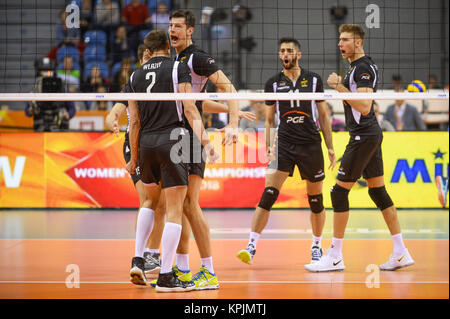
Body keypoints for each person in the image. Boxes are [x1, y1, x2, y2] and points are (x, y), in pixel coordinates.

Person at [305, 24, 414, 272]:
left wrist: (338, 86)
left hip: (364, 135)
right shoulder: (357, 66)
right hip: (368, 134)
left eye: (344, 40)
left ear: (358, 42)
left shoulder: (362, 67)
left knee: (338, 193)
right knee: (378, 192)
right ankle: (401, 252)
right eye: (339, 39)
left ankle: (334, 256)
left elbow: (365, 105)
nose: (340, 44)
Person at [148, 9, 240, 290]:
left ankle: (209, 271)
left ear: (190, 31)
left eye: (178, 26)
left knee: (189, 204)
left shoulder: (198, 57)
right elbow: (199, 102)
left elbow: (229, 89)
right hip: (176, 137)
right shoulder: (175, 60)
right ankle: (184, 268)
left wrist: (233, 123)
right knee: (181, 206)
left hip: (191, 138)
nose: (172, 30)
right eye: (170, 26)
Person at [126, 29, 218, 292]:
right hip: (173, 140)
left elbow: (134, 122)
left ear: (147, 51)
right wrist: (206, 143)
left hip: (146, 144)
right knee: (175, 209)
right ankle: (167, 276)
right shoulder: (178, 68)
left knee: (149, 201)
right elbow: (190, 109)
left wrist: (134, 158)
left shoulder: (135, 75)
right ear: (168, 46)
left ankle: (138, 258)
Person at [236, 37, 336, 266]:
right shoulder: (273, 83)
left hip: (311, 143)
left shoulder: (313, 80)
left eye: (289, 51)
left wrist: (330, 146)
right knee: (268, 194)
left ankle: (316, 246)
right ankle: (250, 246)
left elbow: (323, 115)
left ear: (298, 54)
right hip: (285, 143)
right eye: (282, 51)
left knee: (316, 199)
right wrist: (269, 145)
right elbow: (270, 119)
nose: (285, 54)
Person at [106, 44, 165, 276]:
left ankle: (151, 254)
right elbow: (116, 110)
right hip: (135, 147)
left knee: (162, 205)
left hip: (156, 144)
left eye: (147, 57)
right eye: (142, 57)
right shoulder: (133, 82)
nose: (146, 61)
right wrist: (111, 118)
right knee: (148, 201)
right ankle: (140, 256)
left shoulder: (163, 83)